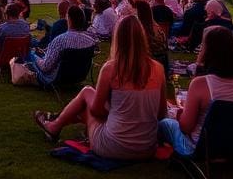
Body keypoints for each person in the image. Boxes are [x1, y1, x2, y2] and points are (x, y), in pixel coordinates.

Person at [34, 15, 166, 160]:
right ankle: (56, 122)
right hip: (147, 148)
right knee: (92, 99)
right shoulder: (158, 69)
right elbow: (161, 114)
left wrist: (112, 110)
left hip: (114, 146)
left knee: (87, 92)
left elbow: (96, 111)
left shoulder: (111, 68)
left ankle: (55, 125)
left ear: (118, 38)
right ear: (142, 38)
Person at [158, 26, 233, 156]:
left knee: (164, 123)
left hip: (201, 148)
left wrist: (178, 114)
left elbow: (185, 127)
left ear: (207, 51)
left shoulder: (201, 84)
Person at [27, 5, 97, 87]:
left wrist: (34, 55)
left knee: (31, 53)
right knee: (42, 54)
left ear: (68, 19)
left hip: (55, 79)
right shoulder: (91, 41)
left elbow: (45, 67)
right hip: (79, 77)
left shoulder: (59, 41)